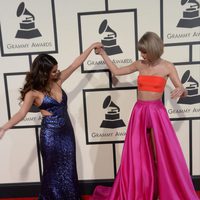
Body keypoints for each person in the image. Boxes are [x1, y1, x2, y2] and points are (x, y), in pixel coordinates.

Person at [92, 32, 199, 200]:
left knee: (161, 154)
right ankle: (143, 190)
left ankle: (161, 191)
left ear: (154, 50)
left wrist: (182, 90)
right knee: (138, 154)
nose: (142, 55)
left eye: (144, 52)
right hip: (140, 112)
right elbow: (117, 71)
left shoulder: (168, 66)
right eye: (141, 51)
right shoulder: (140, 64)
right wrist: (103, 54)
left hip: (157, 113)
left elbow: (182, 89)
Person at [0, 42, 102, 200]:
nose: (57, 72)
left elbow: (76, 63)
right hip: (50, 137)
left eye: (57, 69)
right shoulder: (33, 93)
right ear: (44, 73)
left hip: (66, 133)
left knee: (68, 169)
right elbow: (21, 113)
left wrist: (91, 47)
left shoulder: (58, 81)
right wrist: (4, 127)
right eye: (54, 71)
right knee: (52, 171)